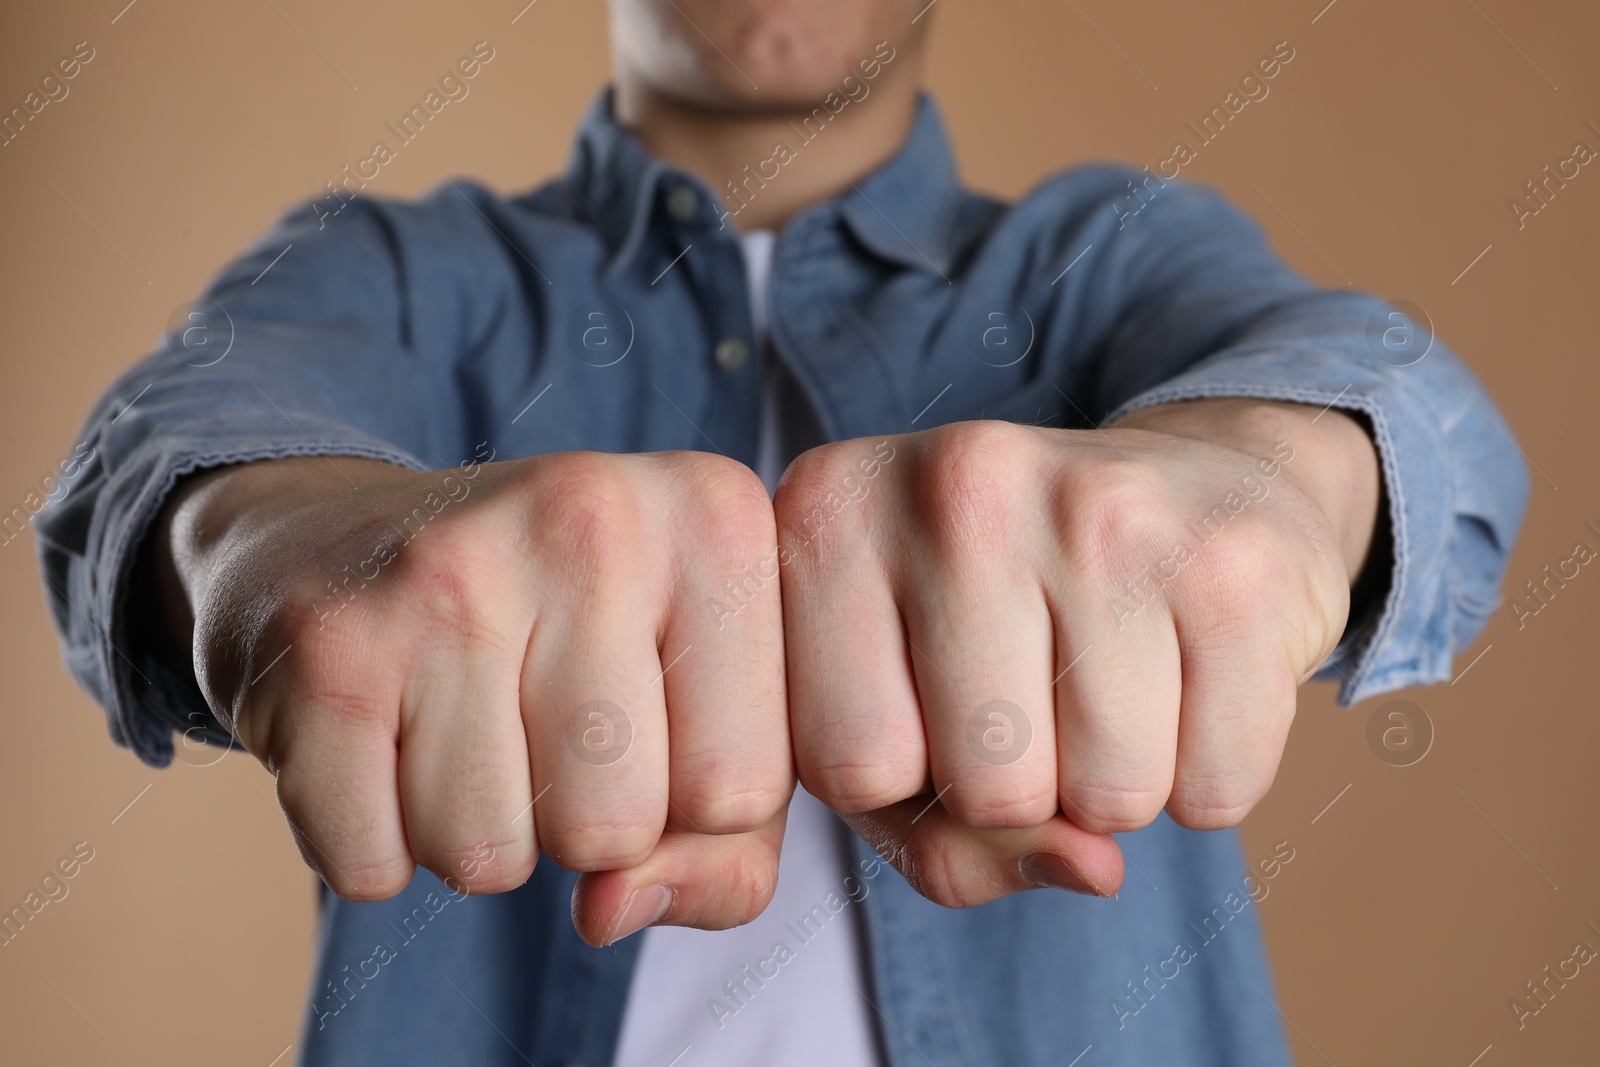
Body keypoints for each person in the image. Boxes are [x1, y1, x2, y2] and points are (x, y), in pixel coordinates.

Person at [36, 1, 1529, 1064]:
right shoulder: (389, 271)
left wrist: (1278, 481)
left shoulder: (1113, 253)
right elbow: (172, 449)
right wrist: (286, 551)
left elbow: (1379, 387)